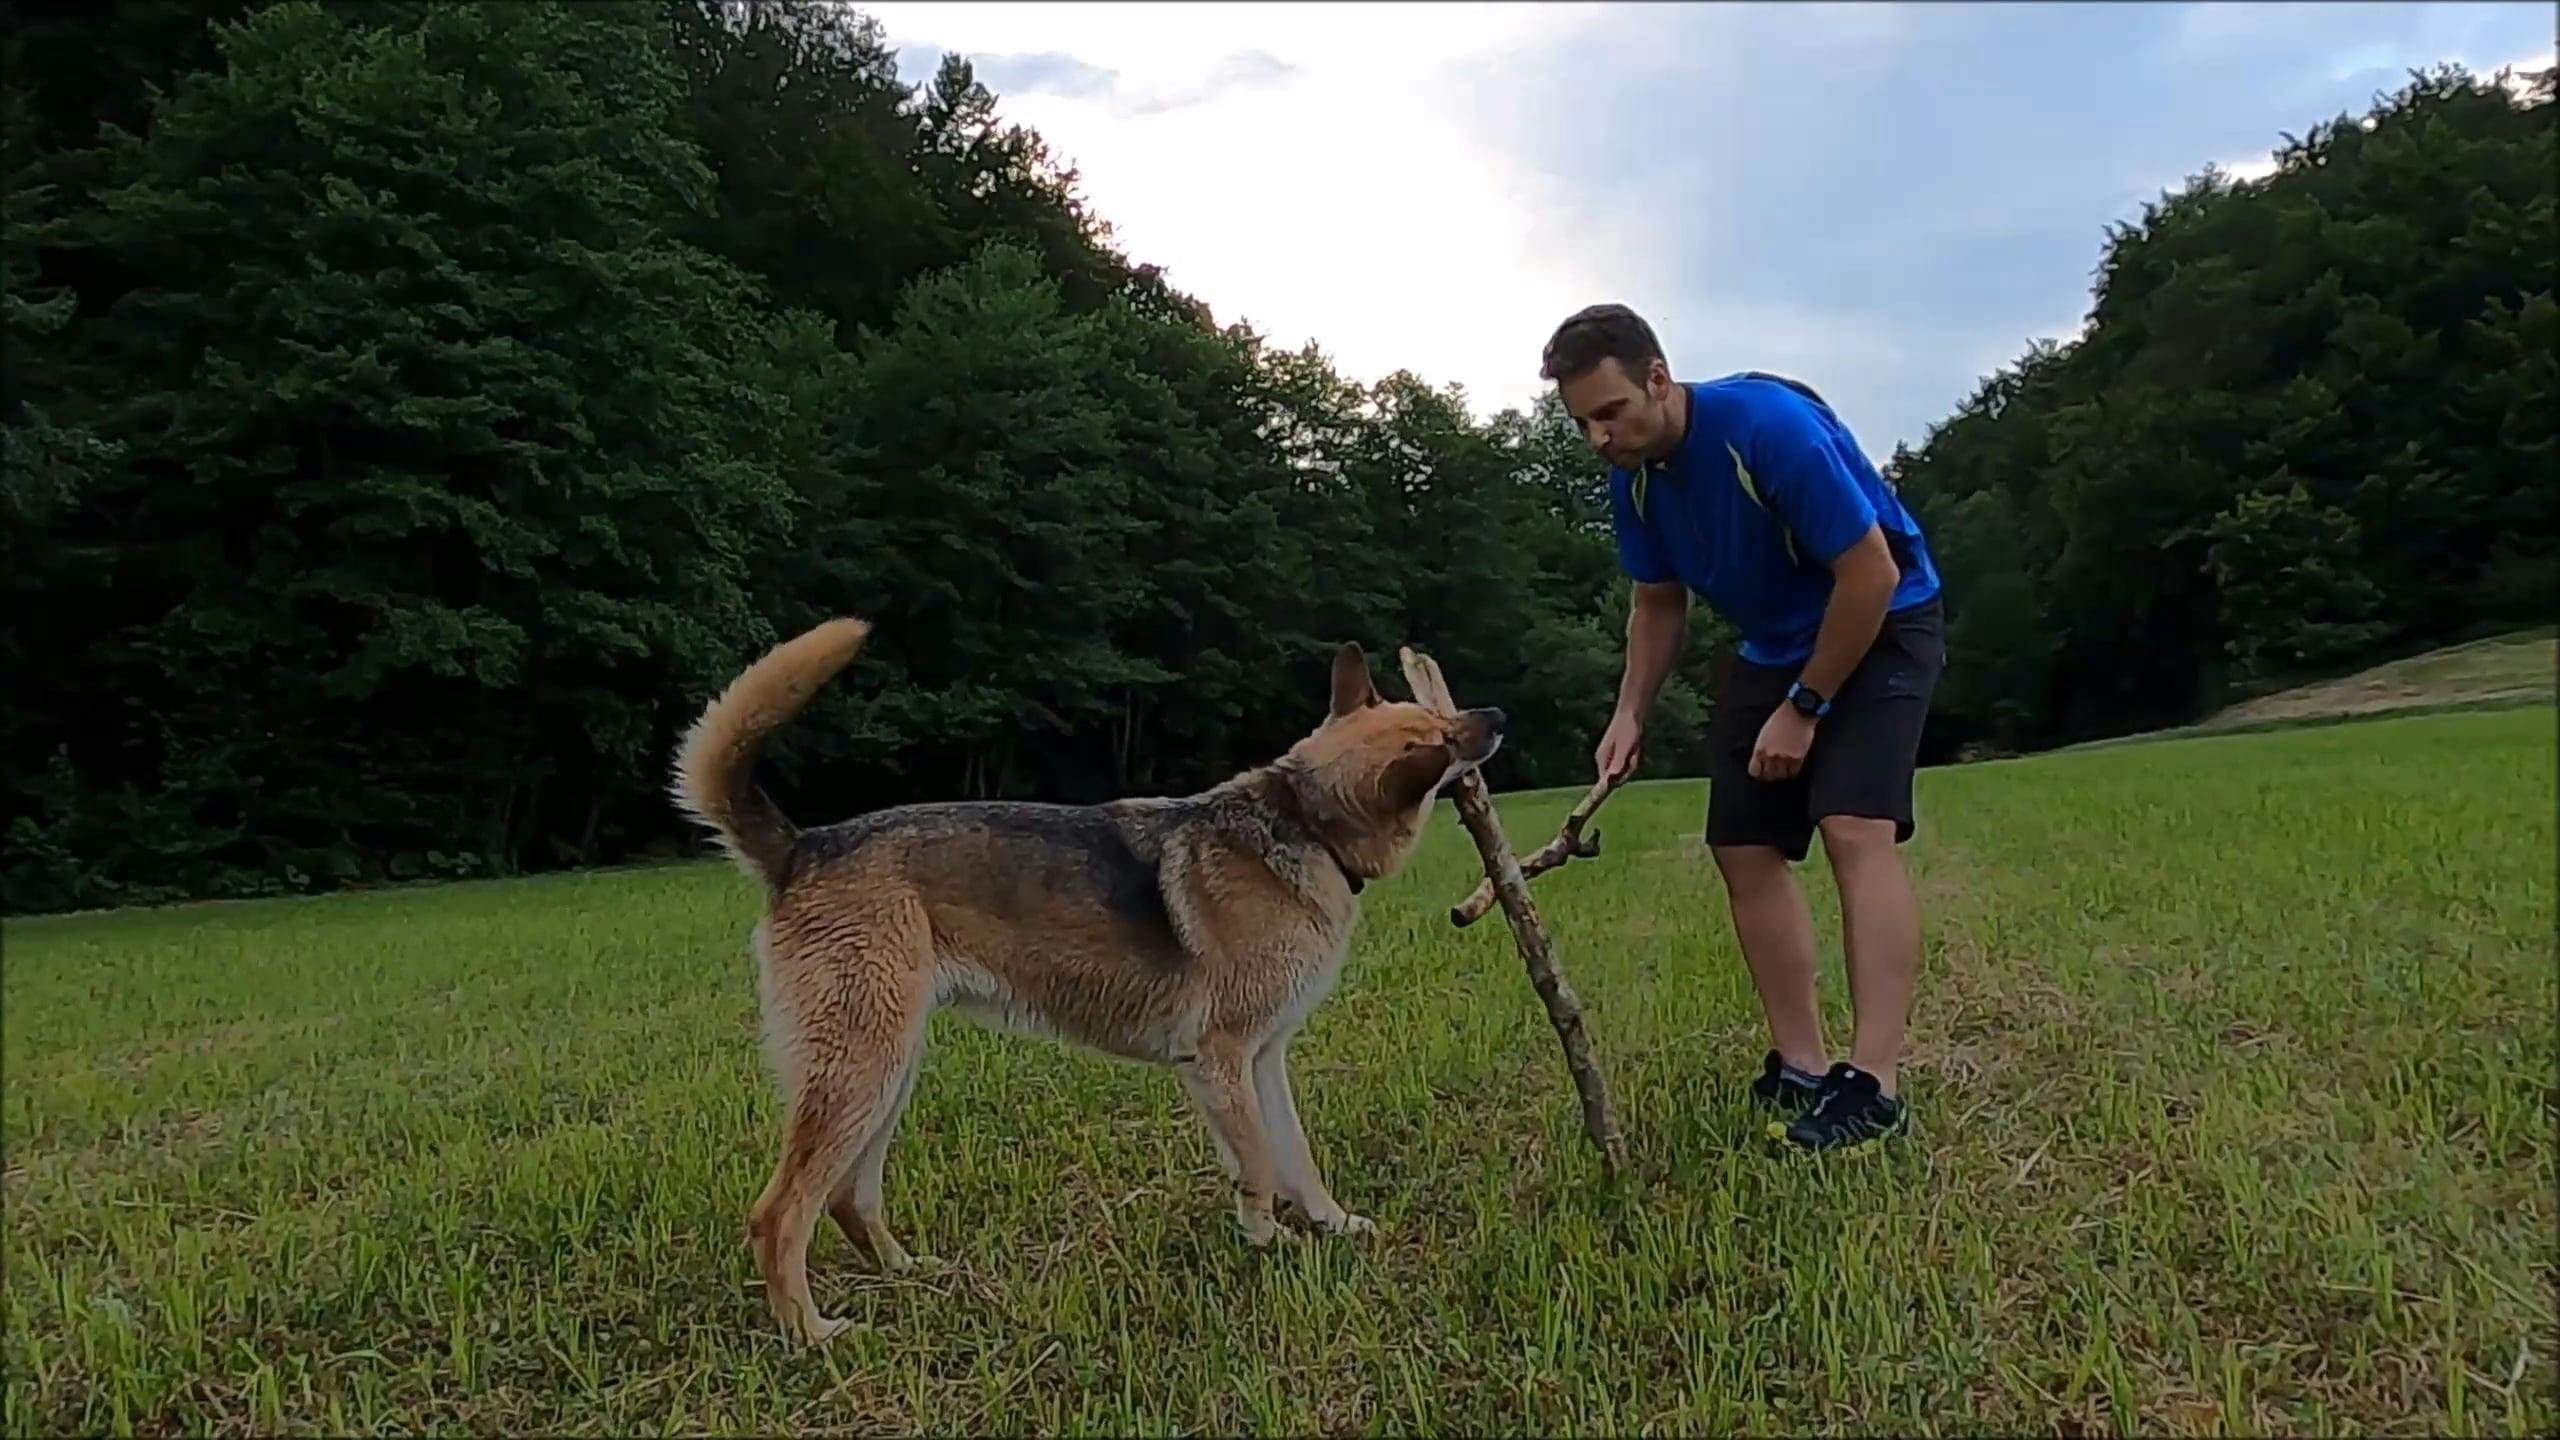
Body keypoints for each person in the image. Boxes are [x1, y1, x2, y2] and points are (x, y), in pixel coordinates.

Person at [1541, 303, 1946, 1152]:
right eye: (1581, 422)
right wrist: (1628, 713)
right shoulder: (1635, 480)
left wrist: (1804, 709)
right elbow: (1657, 603)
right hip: (1775, 643)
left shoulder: (1765, 429)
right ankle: (1801, 1064)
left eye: (1610, 413)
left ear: (1659, 378)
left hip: (1882, 618)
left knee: (1852, 827)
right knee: (1741, 843)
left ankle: (1873, 1086)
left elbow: (1869, 572)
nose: (1598, 438)